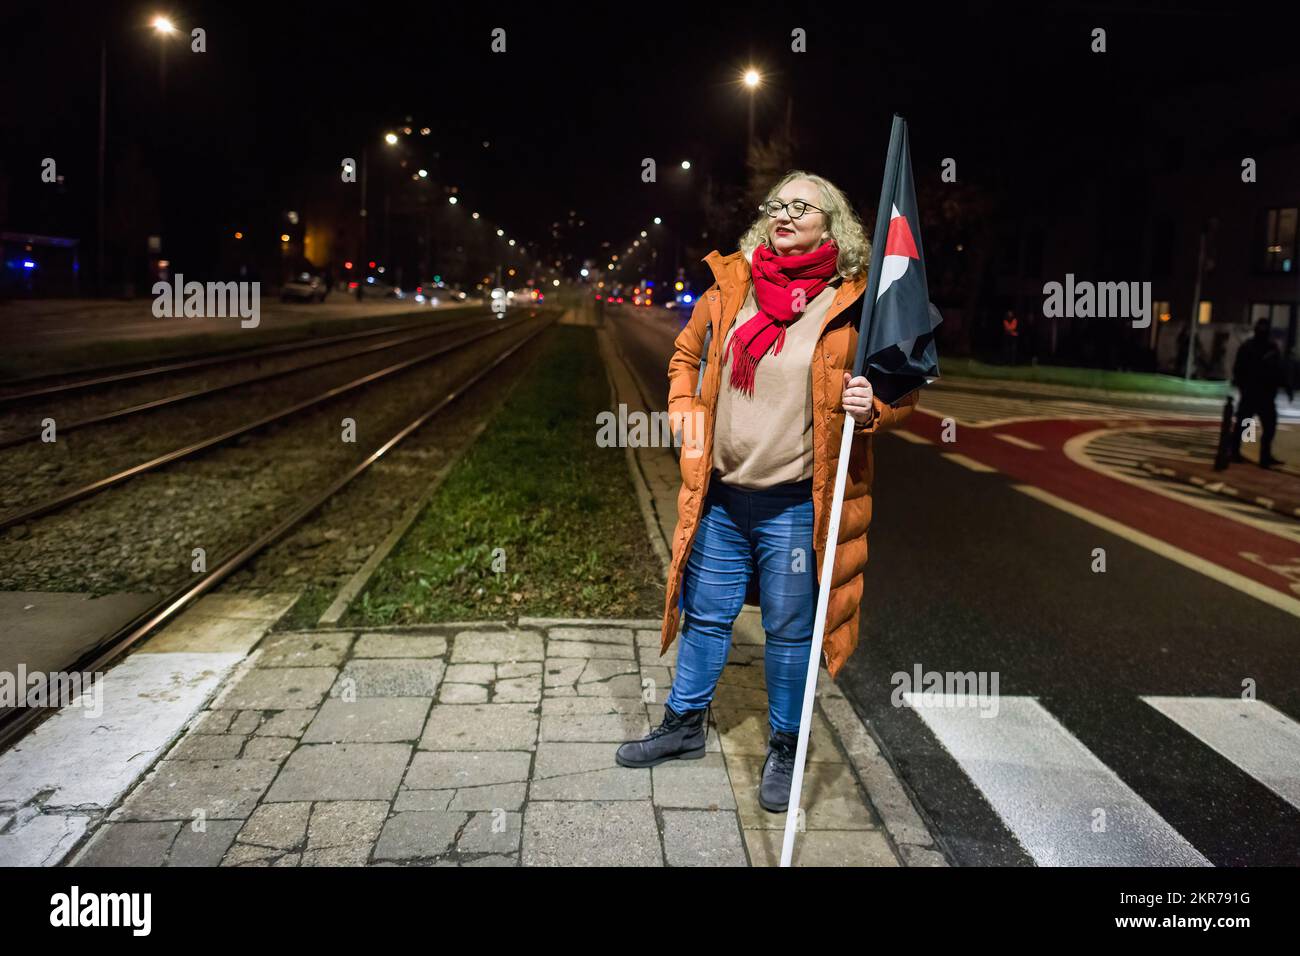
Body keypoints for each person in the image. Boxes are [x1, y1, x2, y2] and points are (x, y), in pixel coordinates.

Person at [614, 171, 919, 812]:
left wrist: (872, 409)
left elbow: (903, 390)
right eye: (776, 205)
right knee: (706, 615)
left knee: (787, 629)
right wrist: (685, 415)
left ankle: (785, 746)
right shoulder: (734, 288)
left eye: (799, 207)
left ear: (831, 224)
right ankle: (683, 727)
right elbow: (684, 356)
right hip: (722, 497)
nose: (783, 214)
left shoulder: (855, 304)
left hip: (794, 504)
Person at [1230, 318, 1292, 467]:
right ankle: (1237, 452)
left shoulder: (1269, 348)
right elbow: (1239, 370)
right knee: (1247, 424)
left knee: (1267, 426)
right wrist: (1243, 387)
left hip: (1263, 394)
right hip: (1253, 393)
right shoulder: (1250, 347)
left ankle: (1261, 456)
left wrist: (1286, 386)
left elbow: (1278, 370)